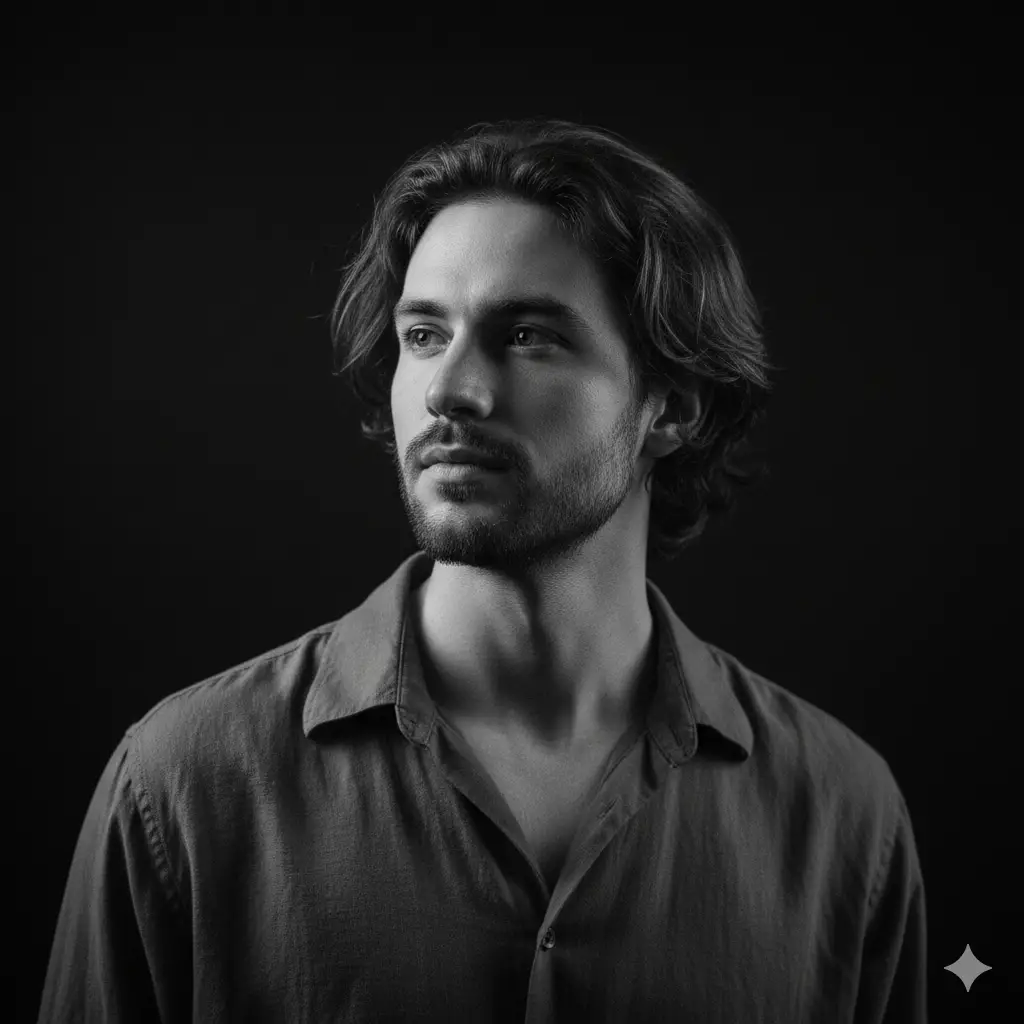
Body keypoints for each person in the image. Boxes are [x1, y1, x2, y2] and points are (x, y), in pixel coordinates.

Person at [39, 118, 927, 1022]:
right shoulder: (183, 786)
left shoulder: (844, 815)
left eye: (528, 335)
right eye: (424, 335)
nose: (449, 389)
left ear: (673, 409)